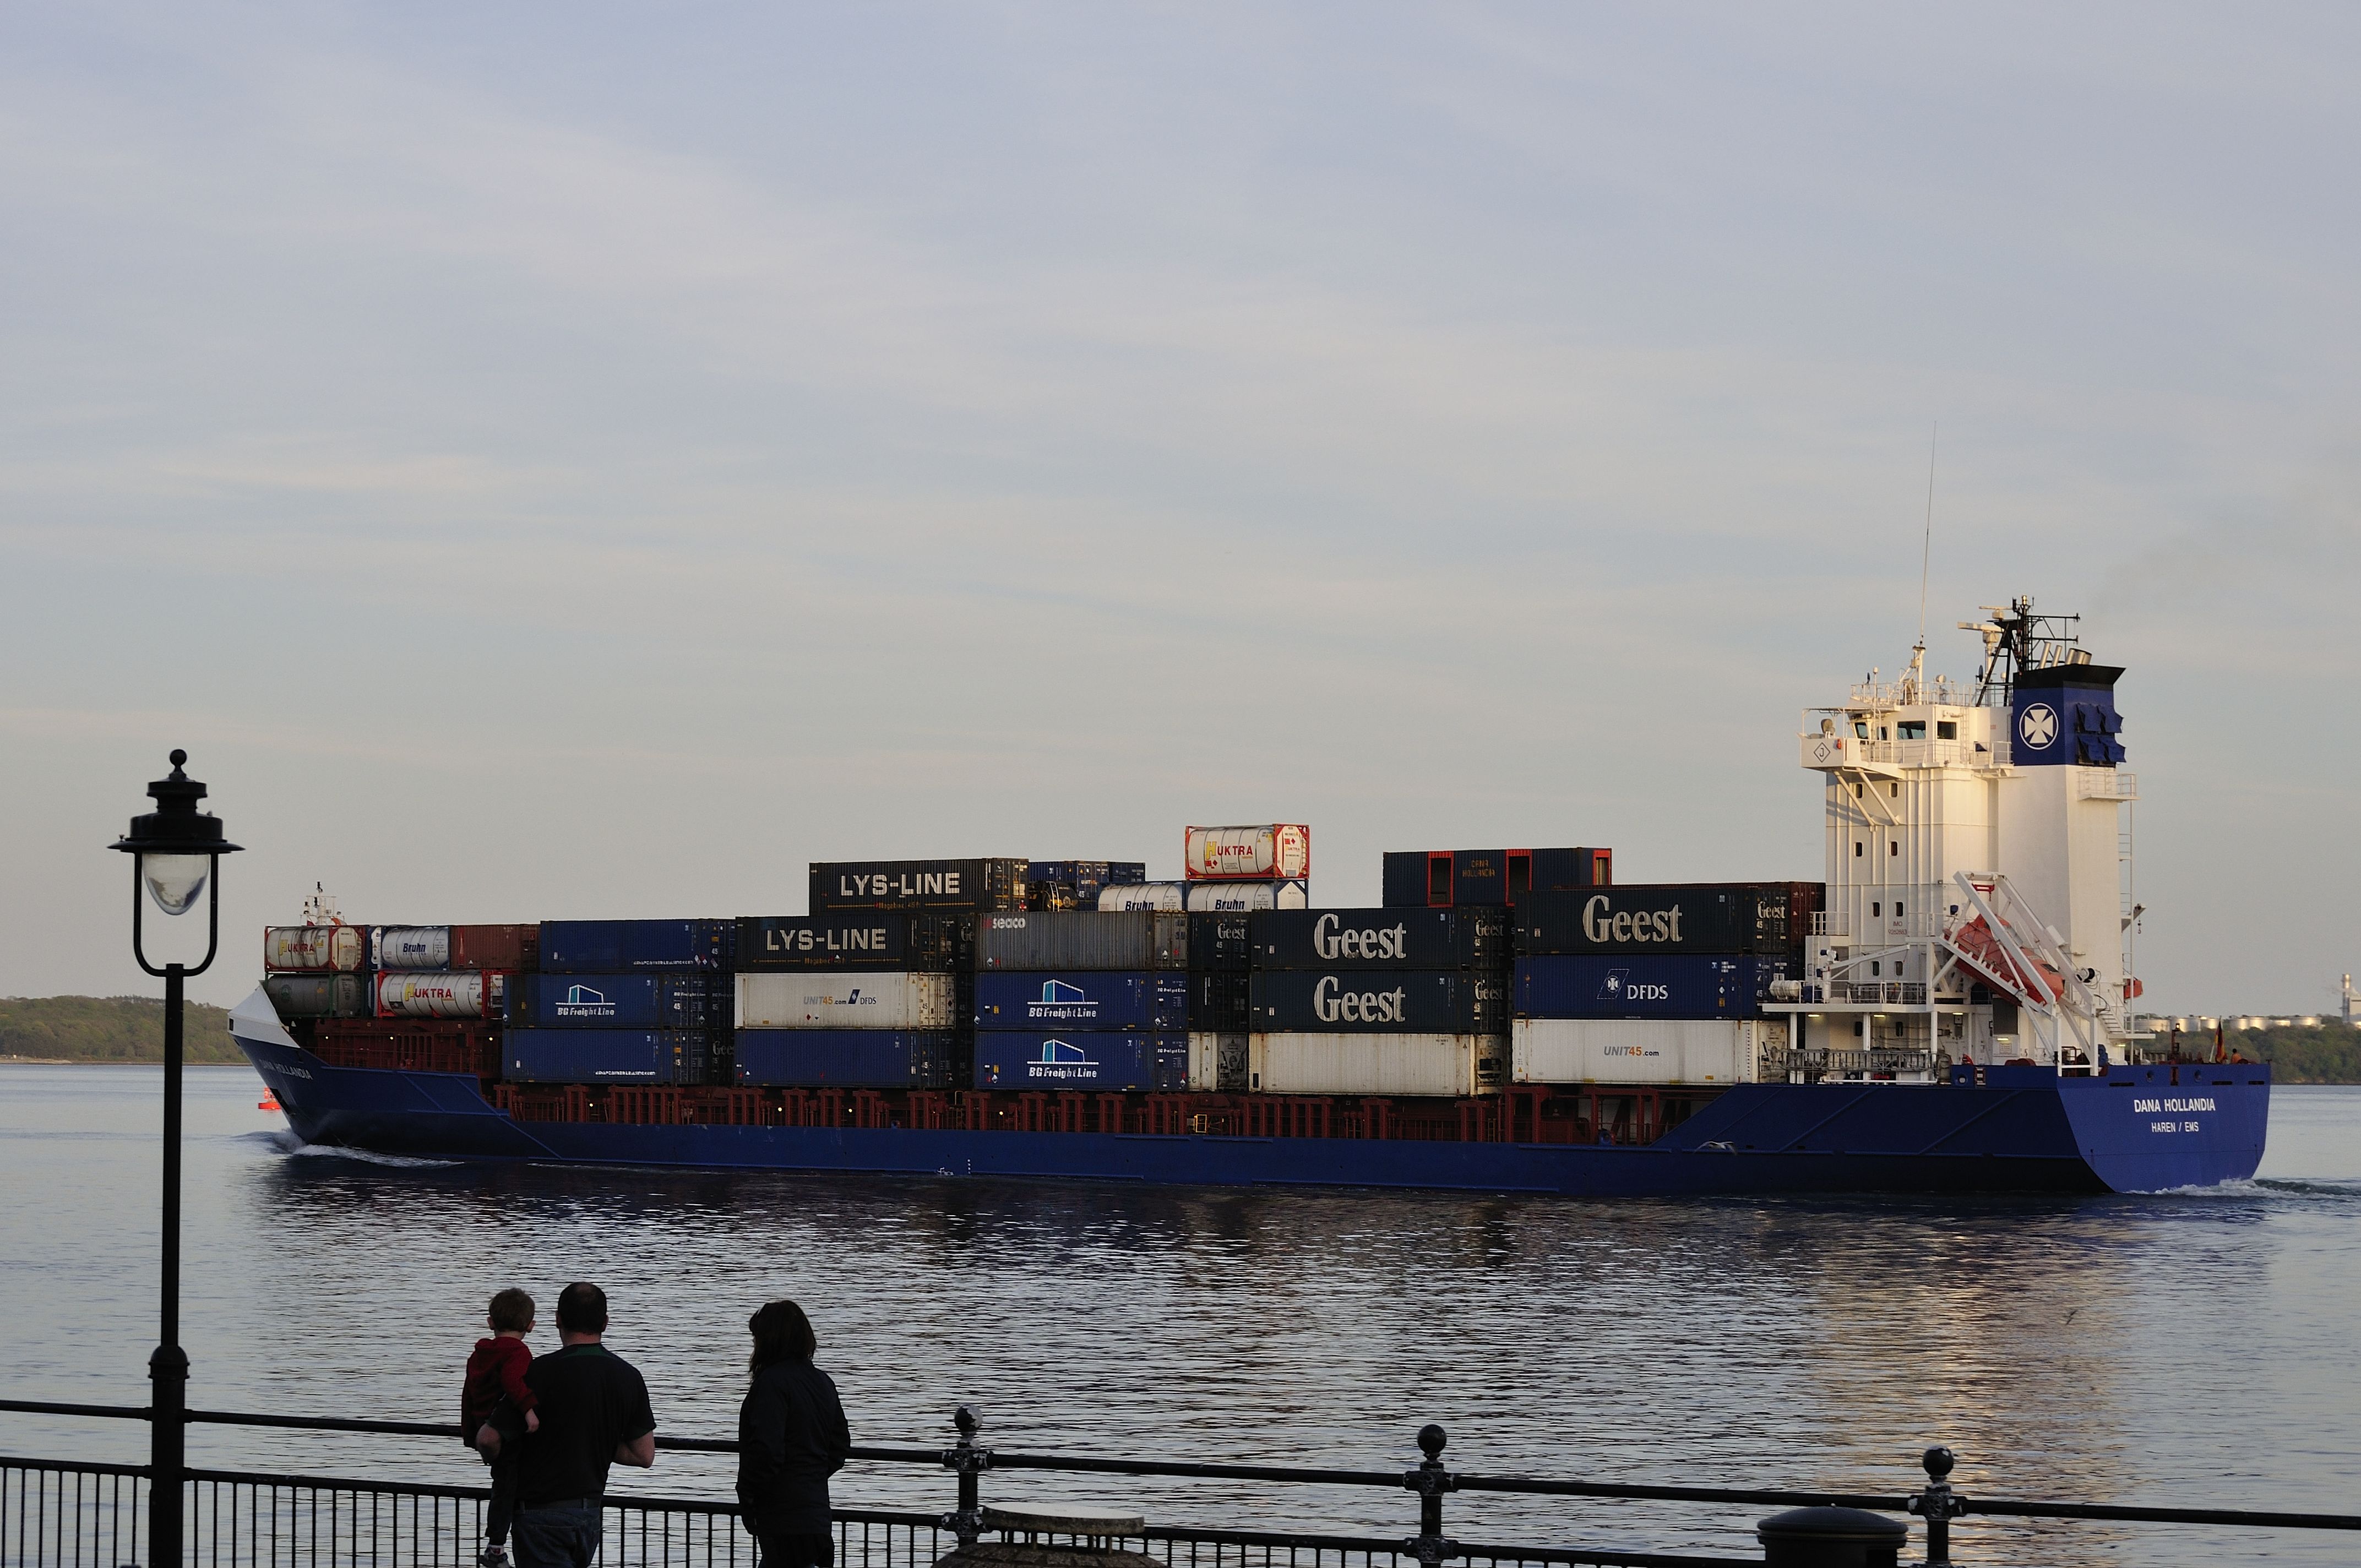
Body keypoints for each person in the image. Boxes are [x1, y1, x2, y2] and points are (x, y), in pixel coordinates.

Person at [477, 1282, 657, 1568]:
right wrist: (593, 1440)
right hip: (589, 1516)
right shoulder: (629, 1376)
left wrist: (495, 1458)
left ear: (558, 1319)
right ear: (605, 1323)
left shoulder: (537, 1372)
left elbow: (488, 1438)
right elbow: (644, 1455)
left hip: (538, 1515)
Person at [736, 1300, 850, 1568]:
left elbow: (767, 1451)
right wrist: (809, 1477)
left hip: (782, 1517)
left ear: (769, 1341)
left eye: (756, 1339)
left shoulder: (771, 1384)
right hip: (816, 1515)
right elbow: (840, 1446)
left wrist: (748, 1493)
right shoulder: (823, 1382)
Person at [462, 1288, 541, 1568]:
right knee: (508, 1487)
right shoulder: (518, 1352)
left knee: (502, 1485)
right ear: (530, 1326)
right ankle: (496, 1547)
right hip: (508, 1432)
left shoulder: (479, 1355)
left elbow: (468, 1395)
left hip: (484, 1428)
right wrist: (529, 1412)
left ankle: (498, 1545)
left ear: (491, 1322)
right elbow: (512, 1381)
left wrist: (471, 1434)